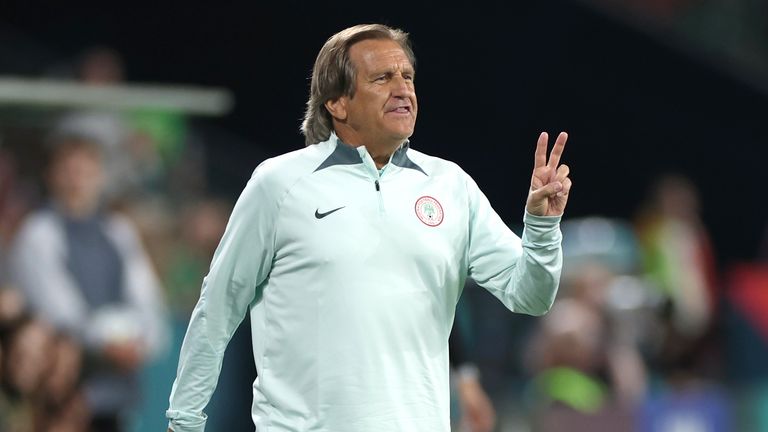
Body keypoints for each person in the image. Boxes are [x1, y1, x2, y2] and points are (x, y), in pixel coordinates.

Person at [166, 23, 572, 432]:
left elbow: (530, 297)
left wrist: (540, 227)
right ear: (338, 103)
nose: (403, 89)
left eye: (408, 77)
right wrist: (184, 422)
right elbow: (217, 309)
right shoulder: (280, 184)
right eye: (382, 78)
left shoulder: (451, 186)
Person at [8, 135, 168, 431]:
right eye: (69, 170)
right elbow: (61, 312)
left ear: (101, 176)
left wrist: (141, 342)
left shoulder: (119, 232)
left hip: (116, 395)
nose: (77, 180)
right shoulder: (37, 233)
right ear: (51, 175)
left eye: (86, 171)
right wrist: (110, 343)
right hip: (58, 396)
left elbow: (149, 305)